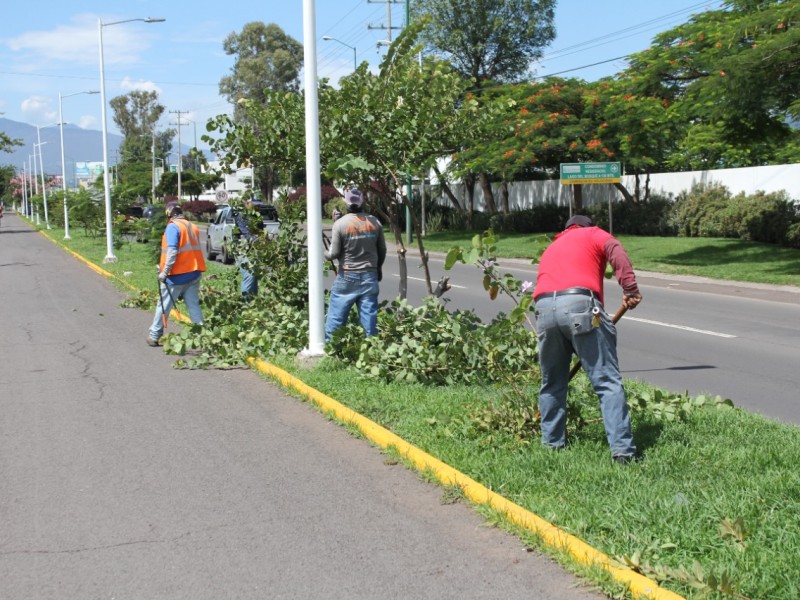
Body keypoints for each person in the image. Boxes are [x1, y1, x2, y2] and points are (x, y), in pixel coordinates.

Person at [532, 214, 642, 463]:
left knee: (552, 382)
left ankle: (552, 446)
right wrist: (630, 289)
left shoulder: (554, 245)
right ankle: (623, 452)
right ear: (588, 225)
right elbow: (615, 249)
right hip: (580, 304)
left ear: (567, 228)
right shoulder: (593, 234)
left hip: (544, 309)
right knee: (607, 382)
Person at [324, 188, 386, 341]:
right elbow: (382, 250)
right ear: (362, 201)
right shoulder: (374, 222)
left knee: (336, 318)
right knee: (370, 322)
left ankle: (331, 350)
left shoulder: (340, 224)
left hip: (347, 276)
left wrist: (326, 253)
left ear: (345, 203)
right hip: (369, 277)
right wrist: (377, 269)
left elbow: (334, 254)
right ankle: (373, 350)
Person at [147, 202, 206, 346]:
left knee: (163, 306)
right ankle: (204, 337)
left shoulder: (173, 226)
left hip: (176, 276)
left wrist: (164, 272)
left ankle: (154, 335)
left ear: (169, 213)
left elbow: (172, 251)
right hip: (193, 273)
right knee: (194, 306)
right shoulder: (191, 226)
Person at [234, 199, 260, 298]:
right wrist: (260, 240)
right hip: (243, 251)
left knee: (254, 276)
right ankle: (245, 304)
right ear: (248, 203)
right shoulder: (243, 216)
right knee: (250, 275)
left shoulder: (257, 217)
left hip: (253, 250)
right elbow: (248, 234)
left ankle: (253, 302)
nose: (259, 207)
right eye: (256, 205)